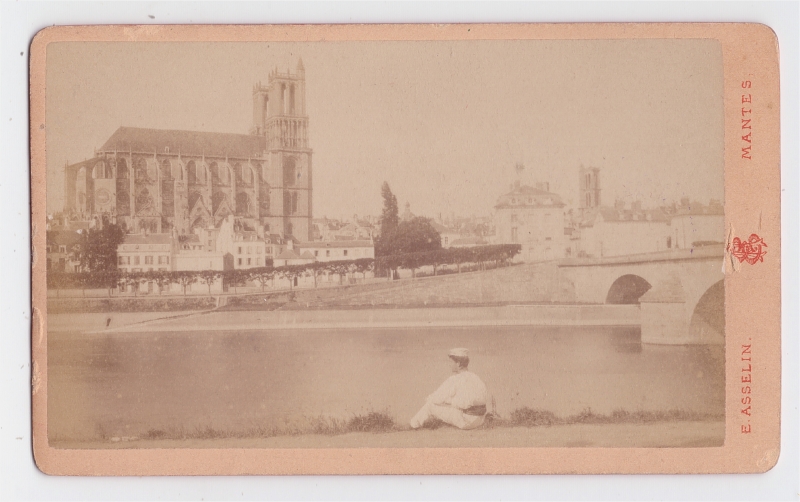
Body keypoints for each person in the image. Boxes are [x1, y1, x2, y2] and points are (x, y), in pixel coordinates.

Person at [410, 348, 488, 430]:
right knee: (450, 400)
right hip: (480, 420)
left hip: (466, 421)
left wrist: (429, 398)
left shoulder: (454, 379)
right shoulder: (475, 377)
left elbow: (437, 398)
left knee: (430, 405)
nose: (449, 365)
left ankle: (413, 425)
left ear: (458, 363)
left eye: (451, 362)